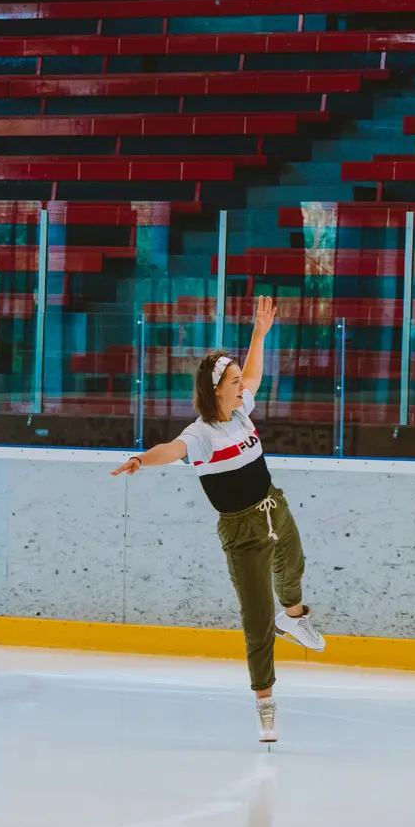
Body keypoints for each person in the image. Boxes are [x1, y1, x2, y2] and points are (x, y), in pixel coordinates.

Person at [112, 295, 326, 744]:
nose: (240, 385)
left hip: (274, 507)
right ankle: (265, 703)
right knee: (256, 620)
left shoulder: (241, 411)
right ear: (215, 390)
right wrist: (141, 459)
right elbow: (170, 450)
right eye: (231, 382)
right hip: (242, 532)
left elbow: (253, 373)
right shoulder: (201, 435)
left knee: (294, 568)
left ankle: (295, 616)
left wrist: (258, 334)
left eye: (236, 381)